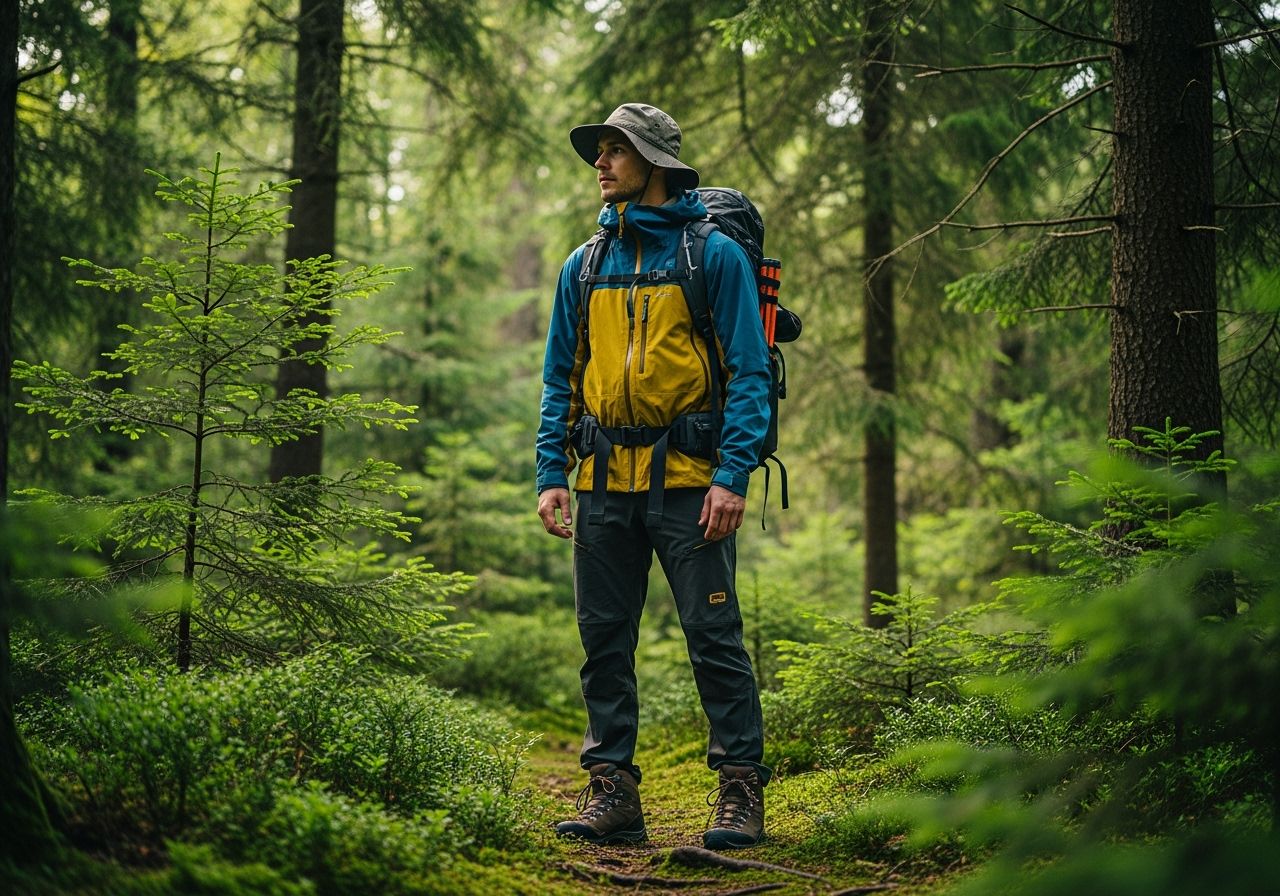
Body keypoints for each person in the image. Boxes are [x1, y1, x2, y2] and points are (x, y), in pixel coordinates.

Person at [535, 102, 772, 850]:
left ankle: (740, 790)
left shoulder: (713, 257)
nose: (600, 163)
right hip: (603, 482)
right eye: (599, 150)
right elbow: (560, 378)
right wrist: (551, 471)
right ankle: (612, 790)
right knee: (603, 640)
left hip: (692, 482)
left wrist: (732, 475)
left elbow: (749, 372)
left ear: (655, 162)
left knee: (713, 636)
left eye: (616, 149)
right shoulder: (584, 265)